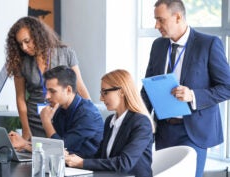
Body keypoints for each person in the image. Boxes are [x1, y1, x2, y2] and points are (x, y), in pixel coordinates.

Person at [140, 1, 230, 177]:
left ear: (178, 17)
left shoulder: (208, 44)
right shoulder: (158, 46)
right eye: (155, 20)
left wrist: (193, 95)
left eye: (160, 20)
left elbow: (227, 87)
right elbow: (148, 89)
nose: (156, 25)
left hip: (193, 132)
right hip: (163, 131)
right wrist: (141, 117)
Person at [5, 16, 91, 140]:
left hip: (63, 118)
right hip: (35, 120)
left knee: (63, 153)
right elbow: (20, 98)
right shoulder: (21, 62)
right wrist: (26, 129)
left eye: (27, 41)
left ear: (38, 35)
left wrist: (91, 115)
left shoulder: (66, 53)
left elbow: (80, 86)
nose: (24, 47)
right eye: (20, 44)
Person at [65, 69, 154, 177]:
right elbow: (100, 157)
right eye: (101, 93)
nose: (101, 98)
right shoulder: (110, 121)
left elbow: (124, 163)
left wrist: (81, 163)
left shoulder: (141, 123)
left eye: (105, 92)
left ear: (121, 91)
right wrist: (71, 157)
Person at [10, 65, 103, 158]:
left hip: (90, 170)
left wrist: (46, 122)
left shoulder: (88, 114)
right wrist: (24, 144)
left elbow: (60, 149)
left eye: (52, 91)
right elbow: (52, 147)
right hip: (66, 166)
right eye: (46, 91)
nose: (47, 96)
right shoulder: (59, 109)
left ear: (68, 90)